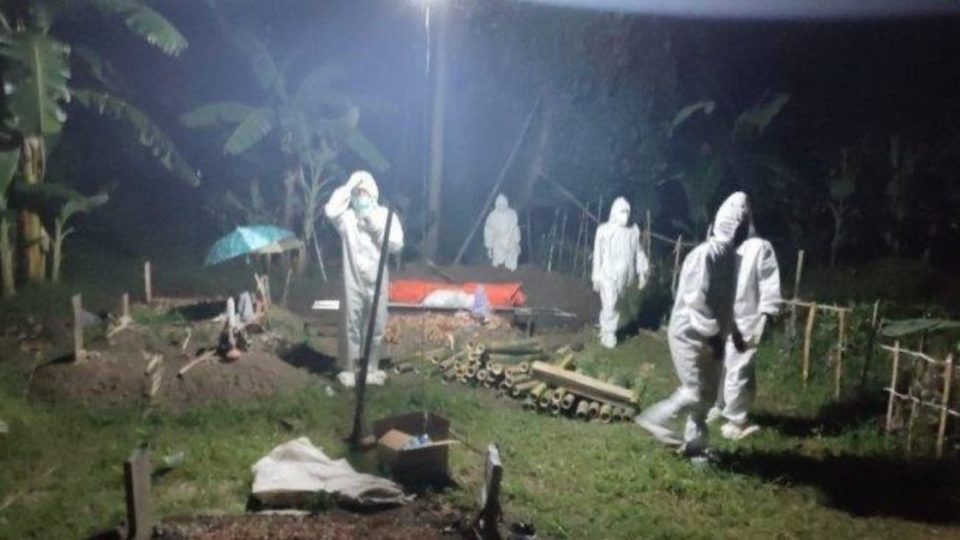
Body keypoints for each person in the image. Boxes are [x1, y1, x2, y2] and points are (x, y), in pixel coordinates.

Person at [636, 192, 751, 460]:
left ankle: (695, 447)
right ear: (731, 225)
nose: (745, 230)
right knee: (695, 391)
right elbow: (695, 300)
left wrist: (732, 332)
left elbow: (725, 301)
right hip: (689, 333)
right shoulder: (705, 256)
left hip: (714, 336)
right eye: (742, 224)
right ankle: (654, 420)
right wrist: (713, 334)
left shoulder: (731, 259)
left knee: (707, 397)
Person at [325, 171, 404, 388]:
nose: (361, 197)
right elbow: (330, 210)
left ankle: (371, 368)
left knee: (376, 324)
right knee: (350, 323)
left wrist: (374, 225)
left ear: (373, 194)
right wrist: (349, 184)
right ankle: (349, 368)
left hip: (377, 279)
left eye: (364, 192)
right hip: (353, 279)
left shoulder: (385, 216)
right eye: (357, 193)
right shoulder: (347, 219)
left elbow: (396, 244)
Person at [707, 230, 781, 440]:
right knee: (719, 365)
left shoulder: (759, 247)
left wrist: (766, 312)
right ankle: (720, 404)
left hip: (747, 320)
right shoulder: (719, 245)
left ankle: (737, 421)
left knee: (739, 370)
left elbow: (768, 281)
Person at [591, 197, 650, 349]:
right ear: (615, 212)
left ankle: (607, 328)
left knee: (616, 304)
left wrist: (643, 271)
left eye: (627, 212)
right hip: (608, 274)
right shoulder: (603, 230)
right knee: (609, 303)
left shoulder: (633, 231)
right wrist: (596, 278)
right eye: (622, 212)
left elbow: (638, 252)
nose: (625, 216)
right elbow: (598, 255)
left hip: (624, 277)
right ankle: (608, 334)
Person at [483, 193, 521, 271]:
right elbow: (488, 232)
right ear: (496, 204)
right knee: (498, 264)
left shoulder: (512, 214)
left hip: (511, 242)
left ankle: (511, 276)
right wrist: (489, 247)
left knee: (511, 264)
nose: (501, 205)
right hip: (498, 242)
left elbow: (515, 229)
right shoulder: (492, 216)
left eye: (503, 204)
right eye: (500, 204)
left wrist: (517, 243)